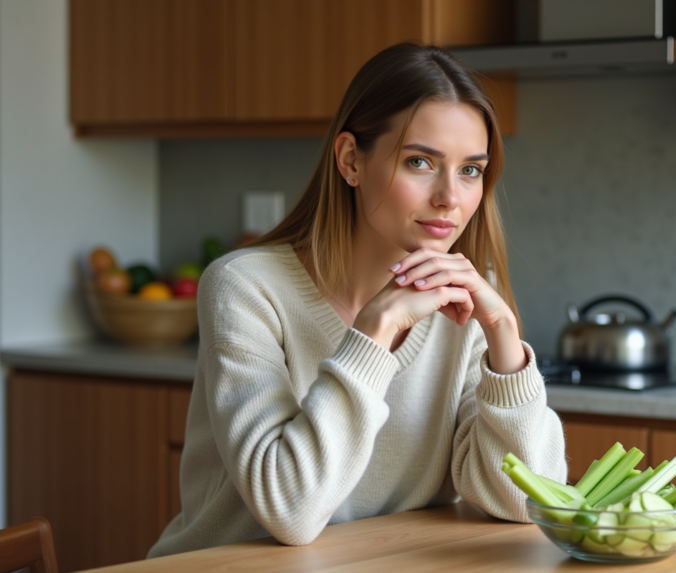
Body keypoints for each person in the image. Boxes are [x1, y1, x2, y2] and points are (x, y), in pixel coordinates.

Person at [148, 42, 566, 557]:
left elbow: (526, 502)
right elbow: (289, 509)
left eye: (470, 170)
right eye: (420, 162)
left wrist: (503, 333)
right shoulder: (244, 287)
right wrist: (375, 333)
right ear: (350, 160)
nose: (450, 198)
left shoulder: (467, 299)